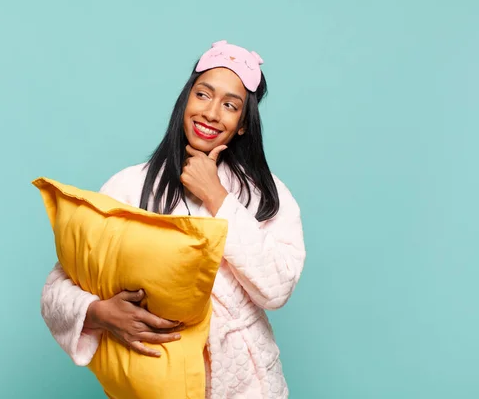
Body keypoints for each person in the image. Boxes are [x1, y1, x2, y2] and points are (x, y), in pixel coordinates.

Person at [40, 40, 307, 398]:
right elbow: (60, 284)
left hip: (250, 385)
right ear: (186, 99)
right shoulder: (130, 186)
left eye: (230, 105)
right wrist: (99, 312)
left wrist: (218, 197)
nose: (211, 113)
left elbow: (278, 287)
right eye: (203, 95)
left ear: (243, 124)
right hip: (158, 380)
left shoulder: (267, 193)